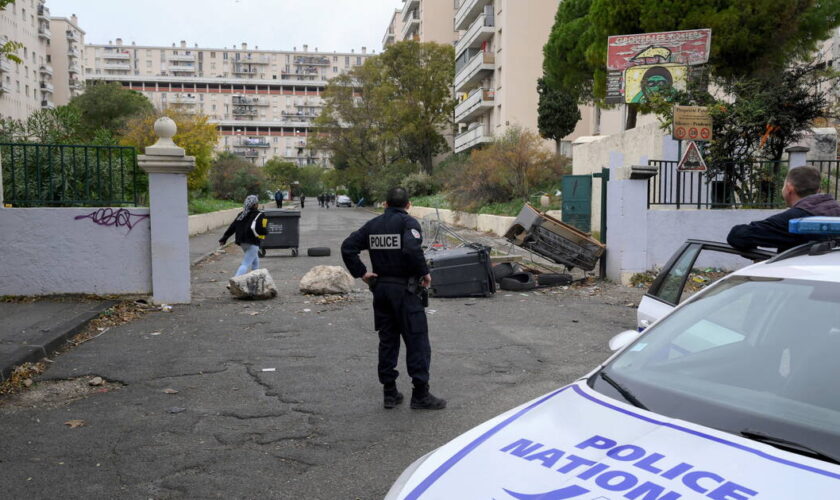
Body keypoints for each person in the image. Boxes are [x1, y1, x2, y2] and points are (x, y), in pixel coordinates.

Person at [341, 187, 446, 410]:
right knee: (417, 341)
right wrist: (424, 272)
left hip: (381, 290)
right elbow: (411, 247)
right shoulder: (409, 224)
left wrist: (362, 273)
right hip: (405, 292)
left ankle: (389, 392)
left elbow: (348, 247)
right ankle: (420, 395)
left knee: (388, 341)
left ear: (385, 204)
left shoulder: (373, 225)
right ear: (408, 205)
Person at [727, 166, 840, 252]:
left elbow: (738, 236)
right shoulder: (836, 211)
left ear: (789, 188)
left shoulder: (794, 220)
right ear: (818, 189)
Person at [219, 195, 268, 276]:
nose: (258, 204)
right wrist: (265, 232)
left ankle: (254, 281)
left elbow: (232, 227)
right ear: (255, 204)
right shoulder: (259, 214)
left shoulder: (241, 214)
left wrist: (224, 238)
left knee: (255, 262)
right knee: (245, 263)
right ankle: (234, 281)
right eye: (257, 203)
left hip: (242, 242)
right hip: (253, 242)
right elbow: (260, 230)